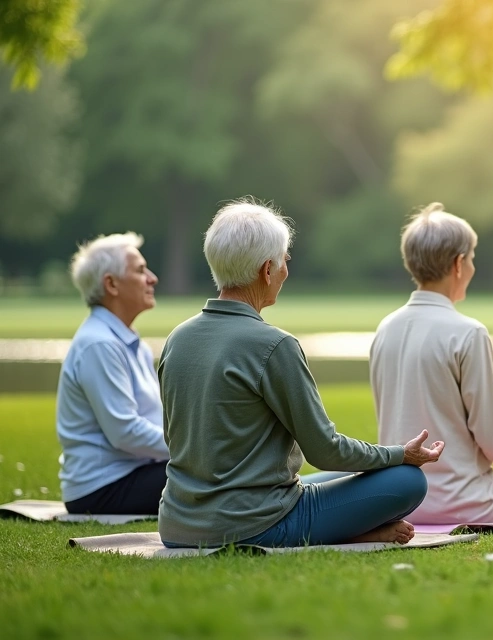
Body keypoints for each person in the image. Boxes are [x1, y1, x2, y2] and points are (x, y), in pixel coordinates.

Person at [158, 198, 441, 548]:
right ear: (266, 270)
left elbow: (176, 439)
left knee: (340, 478)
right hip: (252, 524)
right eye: (284, 261)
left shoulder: (177, 339)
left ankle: (354, 528)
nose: (285, 271)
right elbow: (325, 450)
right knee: (406, 481)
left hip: (178, 524)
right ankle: (360, 534)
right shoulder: (274, 346)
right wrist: (400, 454)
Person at [372, 203, 493, 525]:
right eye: (472, 258)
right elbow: (492, 440)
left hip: (399, 502)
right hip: (466, 503)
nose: (472, 266)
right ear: (459, 264)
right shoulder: (469, 333)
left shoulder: (385, 329)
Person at [56, 233, 168, 515]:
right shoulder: (100, 344)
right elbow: (125, 433)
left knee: (220, 473)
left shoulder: (129, 342)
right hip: (104, 488)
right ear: (111, 284)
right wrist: (192, 450)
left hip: (134, 474)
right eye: (141, 270)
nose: (152, 278)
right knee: (218, 476)